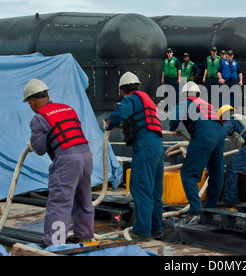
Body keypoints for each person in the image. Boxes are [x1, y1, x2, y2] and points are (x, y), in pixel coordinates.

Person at [23, 79, 94, 247]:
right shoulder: (68, 108)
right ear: (47, 95)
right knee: (84, 200)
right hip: (86, 156)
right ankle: (84, 237)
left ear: (32, 102)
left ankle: (54, 244)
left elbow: (39, 148)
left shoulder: (39, 118)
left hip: (67, 160)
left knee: (59, 203)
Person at [104, 72, 164, 241]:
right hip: (157, 146)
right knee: (154, 191)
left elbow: (120, 114)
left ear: (122, 91)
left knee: (140, 187)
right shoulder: (148, 101)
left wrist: (107, 122)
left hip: (144, 145)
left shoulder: (130, 99)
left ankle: (142, 231)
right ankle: (155, 228)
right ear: (138, 86)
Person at [169, 81, 225, 215]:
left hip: (204, 135)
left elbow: (173, 121)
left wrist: (173, 128)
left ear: (184, 95)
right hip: (219, 135)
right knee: (216, 174)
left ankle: (195, 210)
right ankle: (211, 209)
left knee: (188, 174)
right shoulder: (207, 104)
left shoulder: (184, 103)